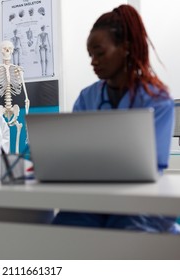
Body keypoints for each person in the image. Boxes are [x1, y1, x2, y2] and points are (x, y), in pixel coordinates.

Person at [52, 5, 179, 233]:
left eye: (100, 53)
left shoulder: (156, 99)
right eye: (90, 55)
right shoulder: (87, 97)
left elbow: (152, 165)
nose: (93, 61)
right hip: (93, 200)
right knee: (63, 228)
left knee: (128, 231)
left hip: (140, 203)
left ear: (125, 48)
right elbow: (72, 153)